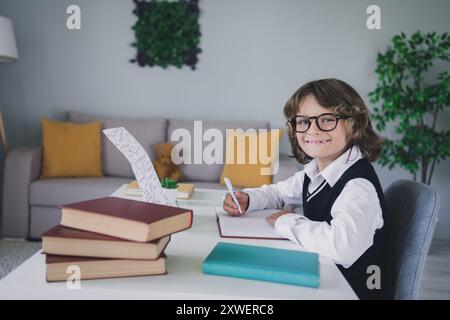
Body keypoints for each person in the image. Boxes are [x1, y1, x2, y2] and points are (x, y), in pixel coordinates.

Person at [223, 78, 389, 299]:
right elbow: (279, 193)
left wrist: (286, 221)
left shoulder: (358, 186)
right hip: (322, 279)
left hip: (350, 292)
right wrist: (249, 199)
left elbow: (342, 248)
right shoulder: (316, 172)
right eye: (303, 121)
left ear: (354, 124)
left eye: (327, 119)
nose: (312, 130)